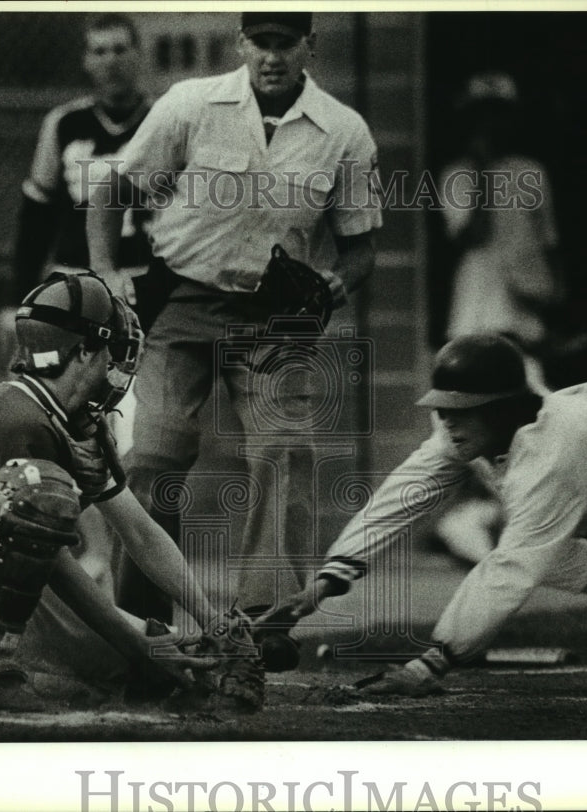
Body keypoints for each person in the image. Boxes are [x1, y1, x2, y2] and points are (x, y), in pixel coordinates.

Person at [85, 12, 382, 646]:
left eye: (286, 43)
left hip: (277, 318)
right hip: (181, 300)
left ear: (309, 45)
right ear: (241, 43)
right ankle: (140, 623)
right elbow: (113, 187)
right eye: (261, 43)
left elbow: (361, 245)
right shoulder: (193, 103)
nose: (272, 57)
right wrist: (107, 272)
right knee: (155, 454)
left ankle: (266, 622)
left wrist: (340, 281)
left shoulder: (344, 131)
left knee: (283, 449)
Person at [257, 333, 587, 694]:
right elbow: (405, 492)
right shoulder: (473, 431)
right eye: (443, 410)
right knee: (551, 556)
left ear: (502, 408)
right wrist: (327, 581)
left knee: (528, 555)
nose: (447, 424)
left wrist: (431, 663)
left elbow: (507, 572)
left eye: (461, 411)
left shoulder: (552, 454)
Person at [0, 271, 221, 711]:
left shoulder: (72, 420)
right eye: (110, 348)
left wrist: (214, 622)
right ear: (82, 352)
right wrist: (134, 643)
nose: (119, 363)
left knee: (179, 662)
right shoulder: (18, 416)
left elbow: (139, 531)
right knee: (35, 488)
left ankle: (9, 662)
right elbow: (55, 562)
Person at [12, 12, 172, 334]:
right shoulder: (64, 122)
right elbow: (36, 216)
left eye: (119, 49)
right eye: (99, 51)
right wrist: (16, 299)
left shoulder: (166, 119)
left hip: (145, 280)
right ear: (86, 60)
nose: (110, 61)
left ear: (139, 55)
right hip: (75, 280)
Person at [434, 72, 563, 391]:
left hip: (525, 298)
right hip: (480, 302)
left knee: (531, 388)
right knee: (476, 387)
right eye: (481, 116)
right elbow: (473, 235)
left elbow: (548, 239)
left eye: (498, 115)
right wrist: (482, 170)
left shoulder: (530, 171)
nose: (490, 125)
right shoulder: (457, 176)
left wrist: (553, 292)